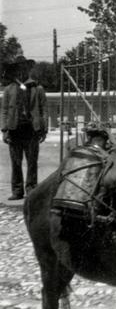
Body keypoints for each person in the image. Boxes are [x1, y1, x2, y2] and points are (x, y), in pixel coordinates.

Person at [1, 56, 47, 201]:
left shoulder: (37, 88)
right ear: (14, 71)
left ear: (28, 69)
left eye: (24, 68)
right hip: (14, 130)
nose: (21, 71)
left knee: (32, 162)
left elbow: (43, 109)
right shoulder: (8, 89)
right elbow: (4, 111)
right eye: (18, 68)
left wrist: (43, 129)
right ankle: (17, 191)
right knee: (16, 162)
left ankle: (31, 190)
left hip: (31, 130)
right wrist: (4, 130)